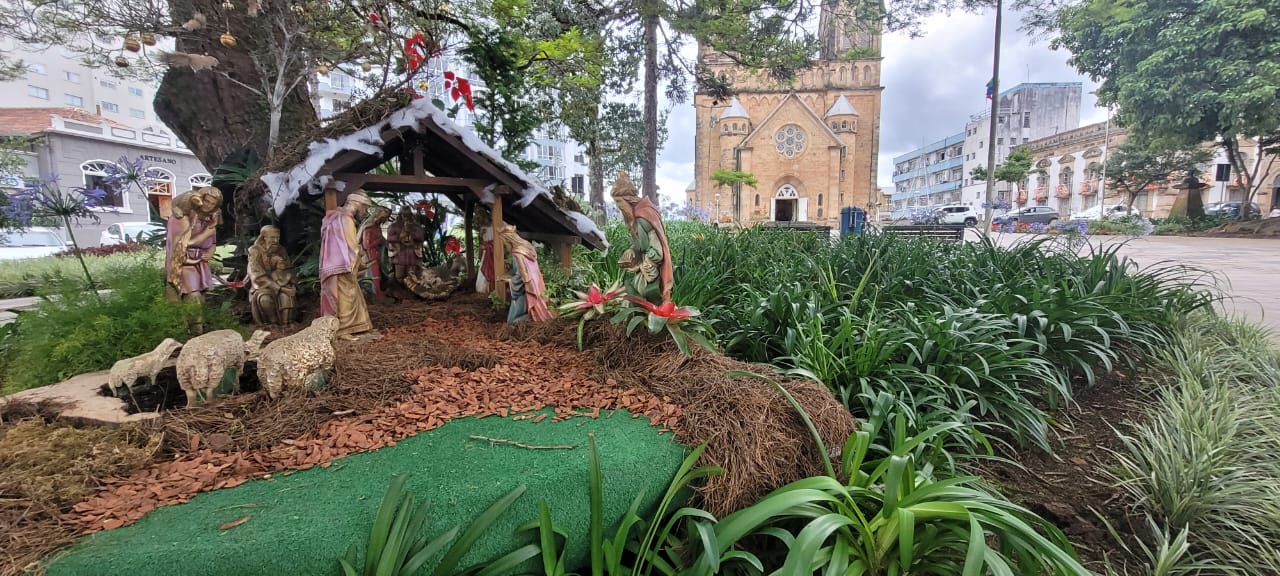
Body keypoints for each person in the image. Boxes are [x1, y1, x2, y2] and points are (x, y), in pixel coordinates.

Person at [611, 171, 673, 304]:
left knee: (640, 297)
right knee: (631, 298)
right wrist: (632, 251)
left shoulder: (644, 218)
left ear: (628, 200)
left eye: (618, 202)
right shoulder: (635, 220)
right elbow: (640, 244)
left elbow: (657, 251)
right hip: (643, 270)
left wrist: (642, 264)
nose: (618, 207)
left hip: (650, 271)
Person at [320, 191, 375, 340]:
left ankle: (358, 326)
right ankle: (343, 329)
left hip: (331, 264)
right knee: (346, 296)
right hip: (343, 264)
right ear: (358, 204)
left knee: (348, 294)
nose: (364, 211)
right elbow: (352, 246)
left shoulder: (333, 217)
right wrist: (360, 260)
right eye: (364, 207)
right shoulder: (346, 220)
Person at [165, 187, 222, 305]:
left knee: (201, 297)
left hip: (201, 264)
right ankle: (190, 322)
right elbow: (178, 245)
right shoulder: (182, 219)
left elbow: (213, 242)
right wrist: (205, 234)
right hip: (184, 262)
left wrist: (210, 251)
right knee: (193, 295)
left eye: (212, 204)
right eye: (207, 201)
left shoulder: (210, 220)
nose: (208, 206)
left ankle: (197, 323)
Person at [497, 224, 554, 323]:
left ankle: (530, 320)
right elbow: (526, 269)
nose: (505, 246)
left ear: (509, 240)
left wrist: (509, 280)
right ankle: (532, 318)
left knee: (512, 321)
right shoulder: (526, 245)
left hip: (525, 288)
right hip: (537, 283)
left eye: (504, 243)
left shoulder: (517, 253)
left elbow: (522, 276)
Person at [247, 225, 296, 325]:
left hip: (281, 282)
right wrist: (279, 288)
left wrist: (291, 283)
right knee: (265, 299)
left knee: (286, 297)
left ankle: (286, 323)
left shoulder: (281, 250)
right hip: (263, 286)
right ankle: (272, 323)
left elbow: (289, 269)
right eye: (272, 237)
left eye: (277, 237)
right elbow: (256, 275)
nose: (276, 240)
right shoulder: (254, 251)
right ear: (264, 237)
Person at [386, 206, 425, 284]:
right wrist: (400, 236)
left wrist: (412, 233)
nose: (405, 217)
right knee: (399, 275)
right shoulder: (393, 226)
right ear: (399, 215)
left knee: (411, 274)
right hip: (400, 253)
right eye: (403, 215)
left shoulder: (416, 226)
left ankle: (411, 289)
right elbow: (389, 238)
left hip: (412, 254)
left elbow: (421, 237)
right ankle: (400, 289)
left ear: (411, 215)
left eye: (407, 215)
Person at [360, 206, 392, 299]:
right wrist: (378, 241)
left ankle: (378, 291)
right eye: (382, 219)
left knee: (378, 273)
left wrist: (389, 244)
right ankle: (375, 293)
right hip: (370, 254)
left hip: (376, 253)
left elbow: (382, 239)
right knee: (374, 273)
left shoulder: (376, 227)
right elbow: (367, 245)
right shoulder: (368, 228)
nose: (383, 221)